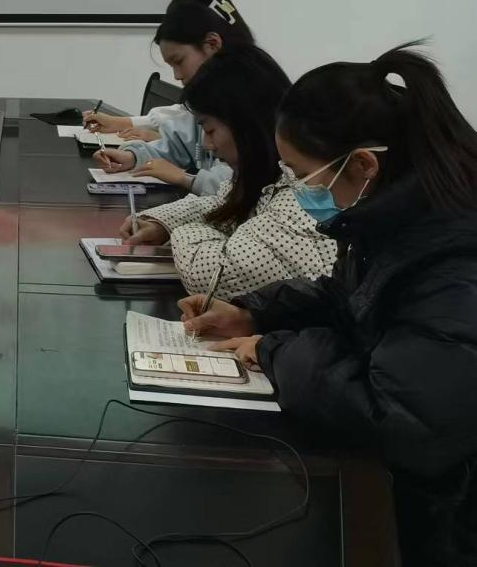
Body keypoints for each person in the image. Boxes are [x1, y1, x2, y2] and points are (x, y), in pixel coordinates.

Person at [180, 45, 477, 566]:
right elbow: (350, 295)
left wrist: (274, 349)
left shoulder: (455, 259)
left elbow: (401, 420)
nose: (297, 190)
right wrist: (255, 312)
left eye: (301, 174)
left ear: (362, 164)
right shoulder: (396, 214)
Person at [121, 46, 336, 296]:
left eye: (210, 130)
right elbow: (223, 203)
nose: (207, 144)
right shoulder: (266, 175)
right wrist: (162, 223)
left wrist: (180, 231)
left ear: (245, 122)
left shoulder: (300, 188)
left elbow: (213, 274)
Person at [91, 0, 254, 195]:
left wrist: (183, 177)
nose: (176, 76)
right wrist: (134, 157)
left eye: (179, 61)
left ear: (212, 44)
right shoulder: (211, 94)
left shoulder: (249, 98)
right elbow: (179, 144)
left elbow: (239, 184)